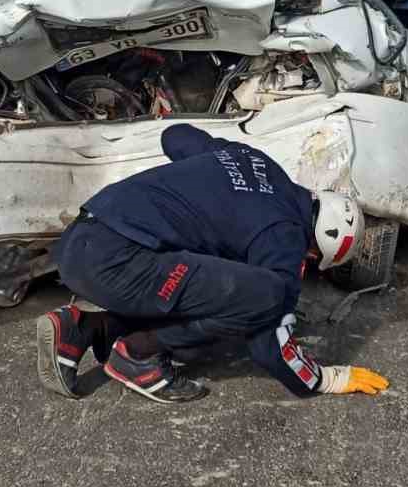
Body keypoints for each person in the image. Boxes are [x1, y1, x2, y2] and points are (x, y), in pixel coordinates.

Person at [36, 123, 390, 405]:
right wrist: (324, 378)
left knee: (208, 282)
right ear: (318, 245)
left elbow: (176, 136)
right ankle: (137, 356)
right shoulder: (285, 237)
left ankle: (83, 329)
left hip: (80, 241)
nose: (305, 262)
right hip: (117, 263)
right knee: (264, 297)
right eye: (311, 258)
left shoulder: (255, 161)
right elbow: (269, 339)